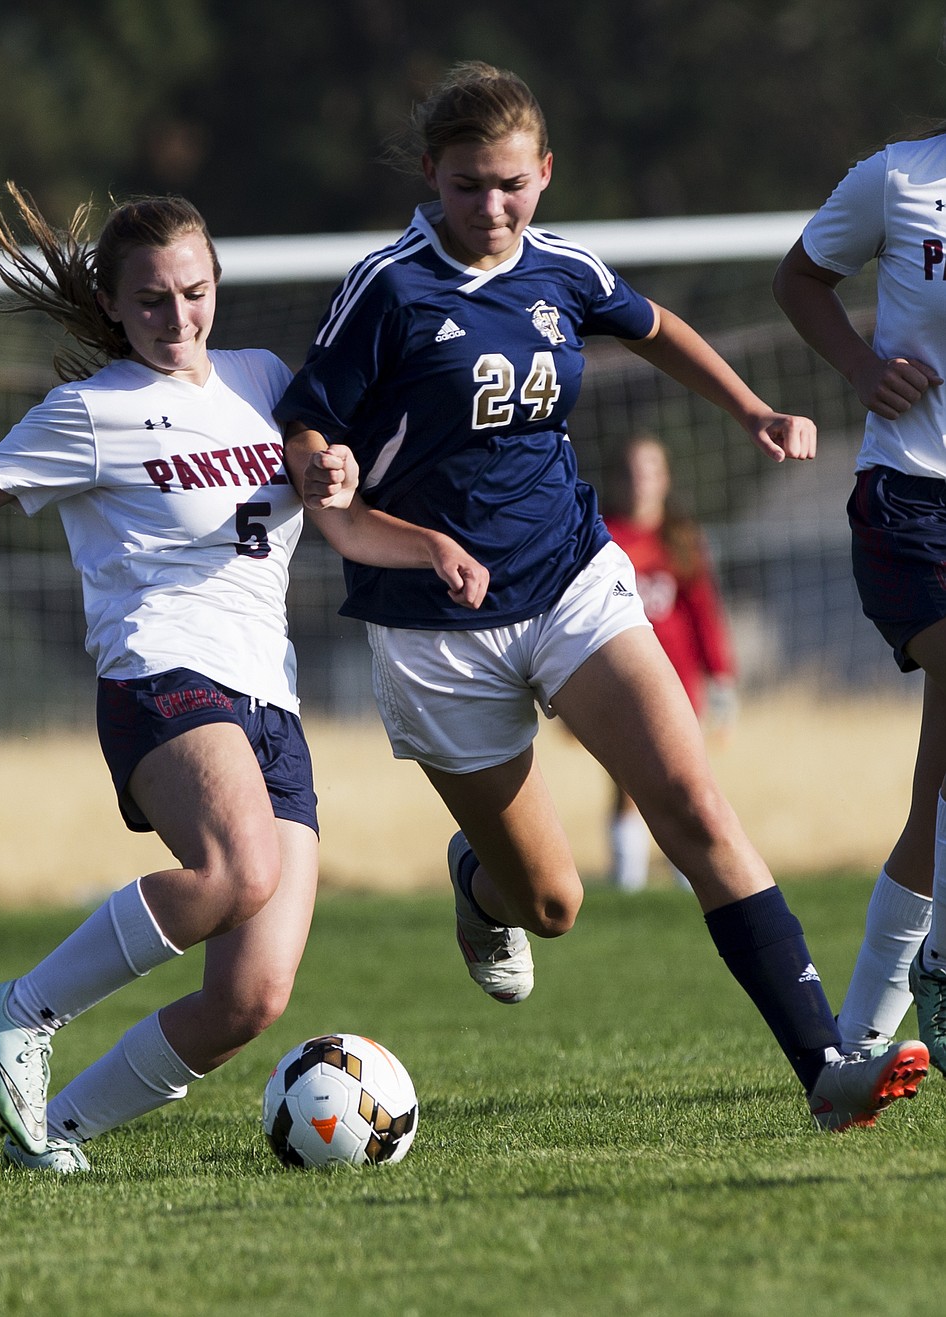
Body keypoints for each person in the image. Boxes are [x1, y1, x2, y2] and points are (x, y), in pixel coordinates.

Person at [277, 60, 929, 1131]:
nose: (492, 207)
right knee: (553, 902)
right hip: (433, 626)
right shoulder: (388, 288)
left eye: (512, 184)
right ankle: (479, 884)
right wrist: (322, 467)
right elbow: (311, 418)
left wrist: (753, 410)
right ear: (432, 177)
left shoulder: (561, 269)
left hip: (573, 579)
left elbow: (653, 324)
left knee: (693, 807)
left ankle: (825, 1070)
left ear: (544, 173)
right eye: (468, 185)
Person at [0, 183, 487, 1173]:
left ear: (216, 284)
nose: (176, 317)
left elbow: (337, 519)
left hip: (272, 703)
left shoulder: (264, 379)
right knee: (237, 872)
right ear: (113, 308)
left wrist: (429, 543)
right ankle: (20, 1012)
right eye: (149, 300)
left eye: (193, 291)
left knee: (250, 999)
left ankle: (54, 1135)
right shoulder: (91, 413)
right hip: (161, 676)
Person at [774, 123, 946, 1073]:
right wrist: (860, 367)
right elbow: (798, 279)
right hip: (912, 504)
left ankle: (861, 1033)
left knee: (936, 788)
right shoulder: (896, 178)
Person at [601, 434, 738, 891]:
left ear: (666, 479)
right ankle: (629, 882)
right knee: (628, 782)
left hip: (678, 684)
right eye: (633, 472)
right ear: (619, 480)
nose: (642, 482)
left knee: (684, 779)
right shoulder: (603, 538)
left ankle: (692, 879)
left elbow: (705, 613)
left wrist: (721, 679)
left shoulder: (681, 540)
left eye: (651, 471)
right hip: (619, 680)